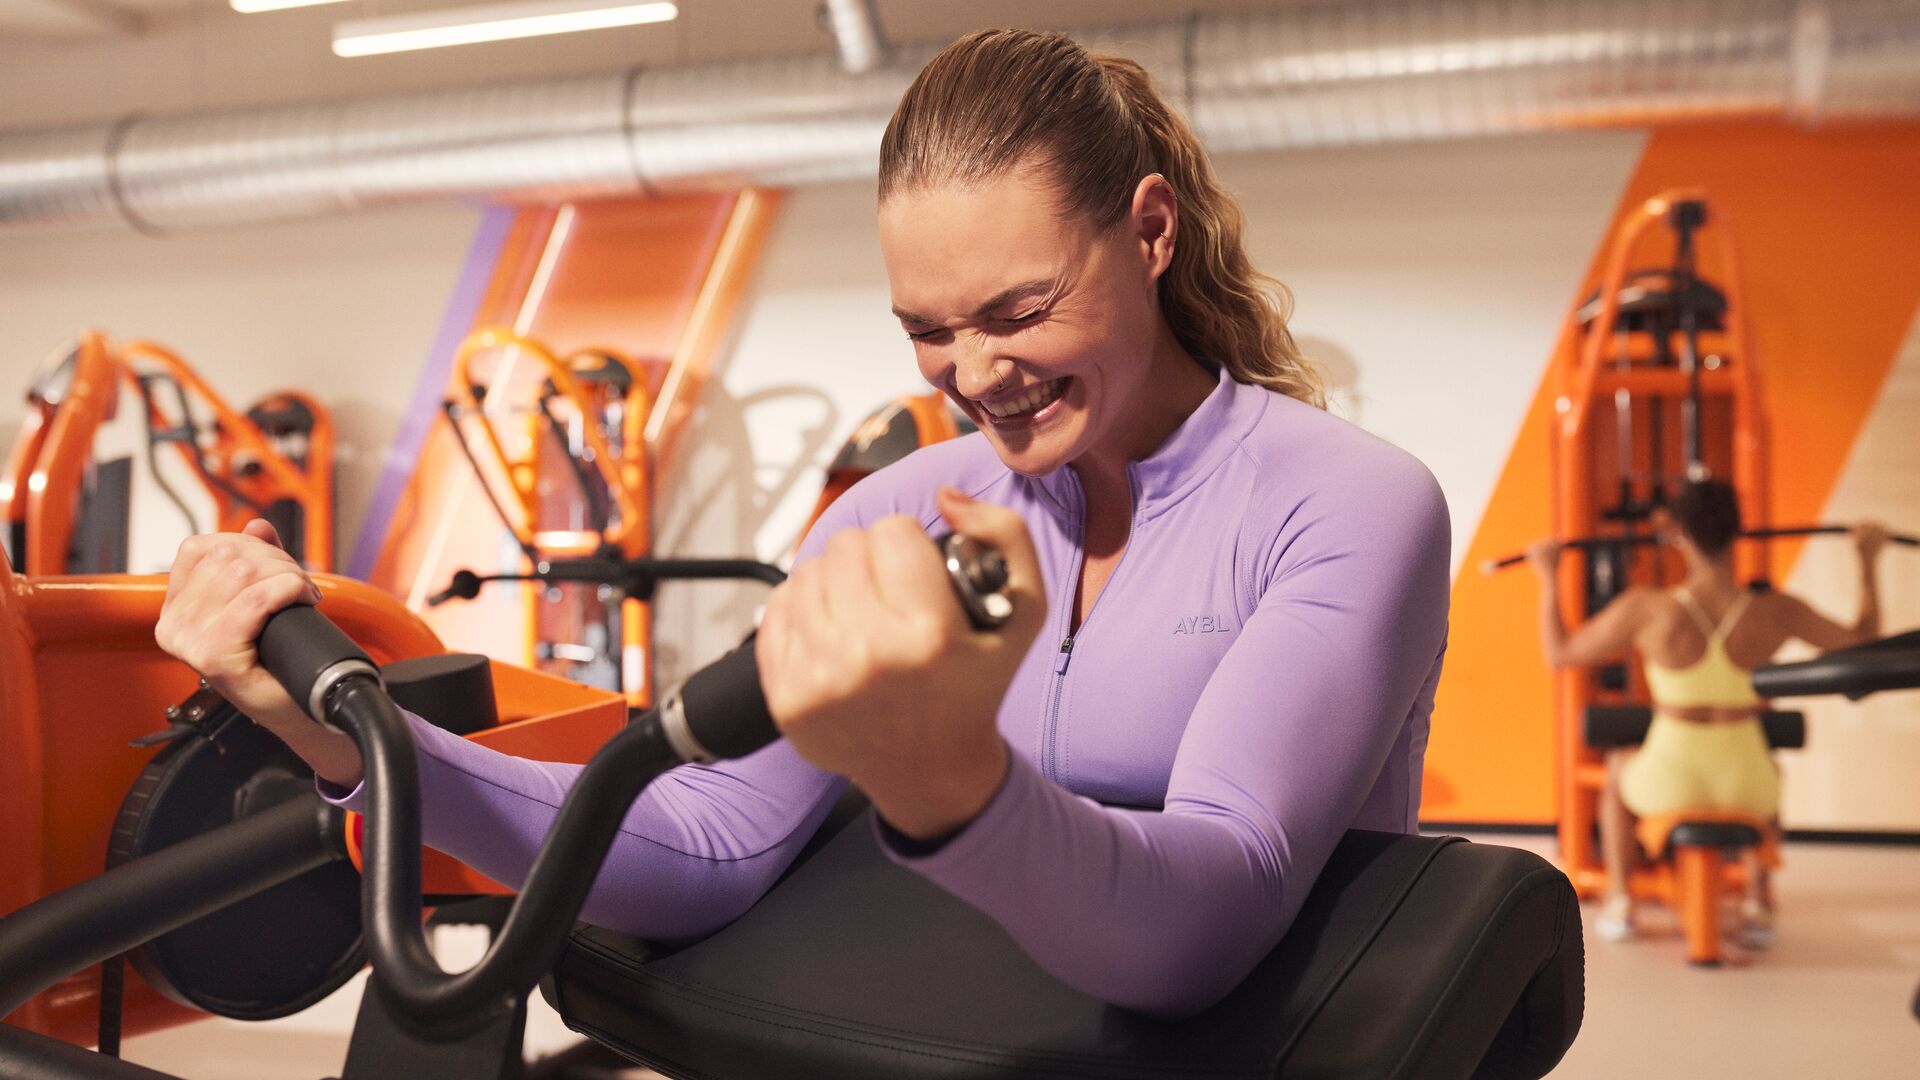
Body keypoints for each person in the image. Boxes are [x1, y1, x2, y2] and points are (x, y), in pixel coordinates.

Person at [155, 29, 1450, 1019]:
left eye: (1017, 311)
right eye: (930, 331)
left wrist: (950, 778)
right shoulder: (895, 515)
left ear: (1150, 231)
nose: (978, 375)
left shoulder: (1341, 506)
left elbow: (1210, 917)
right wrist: (344, 734)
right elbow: (704, 841)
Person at [1527, 479, 1887, 946]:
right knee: (1770, 769)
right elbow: (1866, 648)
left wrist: (1548, 576)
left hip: (1669, 779)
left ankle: (1621, 901)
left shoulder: (1649, 608)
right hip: (1748, 786)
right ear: (1738, 532)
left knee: (1617, 770)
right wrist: (1867, 561)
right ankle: (1760, 903)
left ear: (1679, 534)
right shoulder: (1776, 611)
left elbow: (1560, 653)